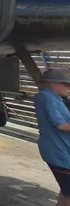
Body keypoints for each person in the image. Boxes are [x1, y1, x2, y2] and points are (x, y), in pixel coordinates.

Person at [35, 68, 70, 205]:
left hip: (62, 150)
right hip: (57, 152)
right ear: (52, 84)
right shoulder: (46, 97)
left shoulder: (57, 99)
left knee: (66, 191)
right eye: (65, 84)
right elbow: (61, 125)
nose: (68, 87)